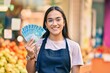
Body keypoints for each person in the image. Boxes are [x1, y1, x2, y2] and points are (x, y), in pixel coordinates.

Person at [25, 6, 83, 73]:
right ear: (46, 24)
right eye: (50, 20)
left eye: (58, 20)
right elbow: (30, 71)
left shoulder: (74, 46)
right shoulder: (37, 44)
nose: (54, 24)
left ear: (64, 22)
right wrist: (30, 55)